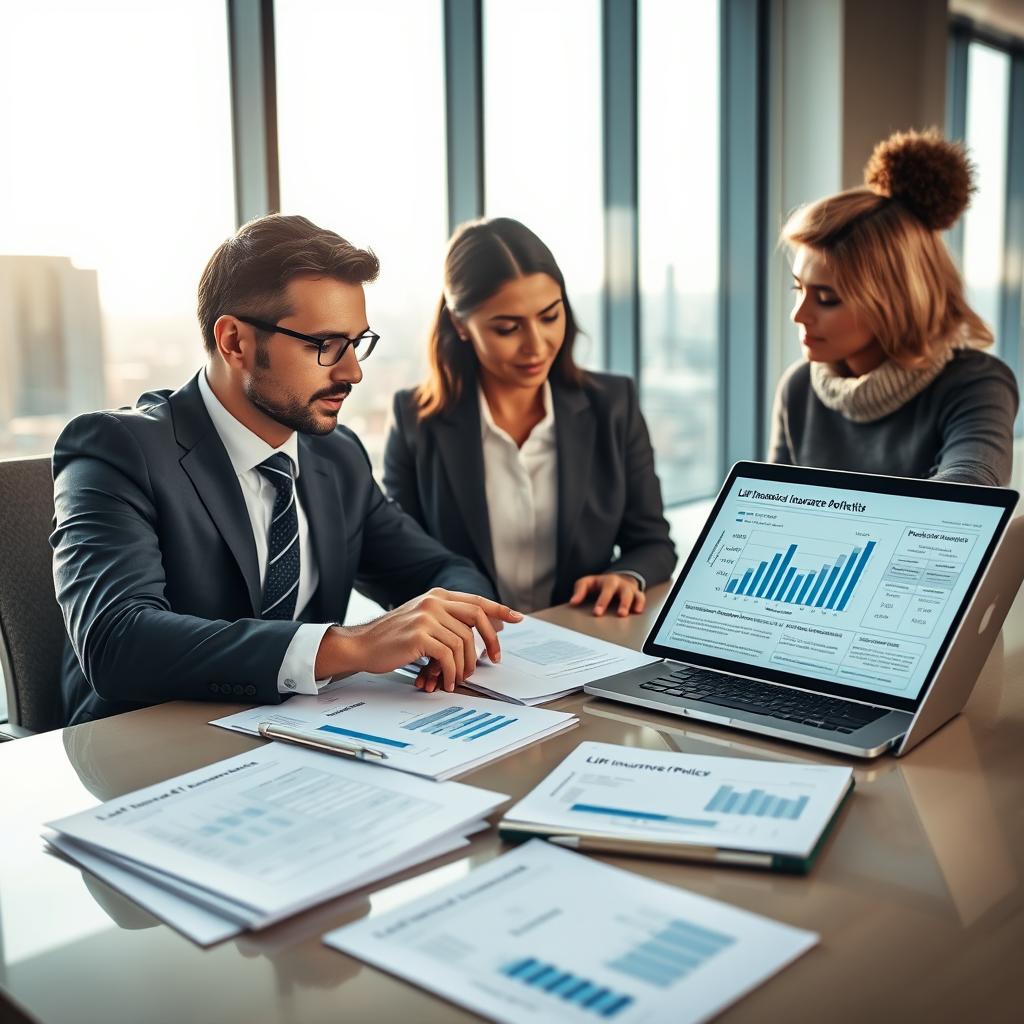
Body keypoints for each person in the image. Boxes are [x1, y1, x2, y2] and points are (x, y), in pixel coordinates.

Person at [51, 214, 521, 725]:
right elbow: (117, 641)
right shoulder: (117, 449)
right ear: (234, 342)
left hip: (304, 738)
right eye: (324, 346)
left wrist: (449, 624)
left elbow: (439, 572)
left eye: (357, 343)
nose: (352, 372)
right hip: (147, 744)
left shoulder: (336, 456)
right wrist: (350, 645)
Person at [384, 217, 676, 618]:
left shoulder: (613, 405)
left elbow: (654, 543)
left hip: (583, 638)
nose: (536, 346)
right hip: (469, 654)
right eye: (507, 328)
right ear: (460, 325)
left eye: (550, 316)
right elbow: (397, 563)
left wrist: (626, 575)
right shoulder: (416, 420)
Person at [770, 128, 1018, 486]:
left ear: (896, 302)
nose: (799, 314)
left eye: (826, 299)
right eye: (799, 289)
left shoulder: (976, 384)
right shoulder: (798, 389)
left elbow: (970, 495)